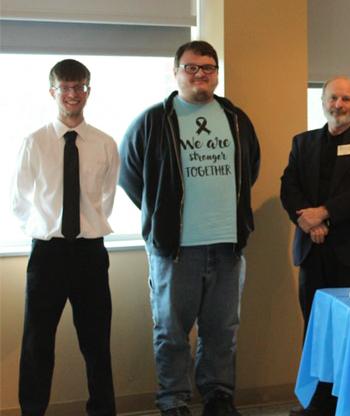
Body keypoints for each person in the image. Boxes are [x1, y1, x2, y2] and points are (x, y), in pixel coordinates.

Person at [118, 40, 260, 416]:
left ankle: (217, 395)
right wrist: (161, 214)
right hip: (175, 248)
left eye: (208, 67)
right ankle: (174, 401)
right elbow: (131, 175)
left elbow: (251, 168)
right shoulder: (153, 120)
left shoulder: (235, 118)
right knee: (171, 331)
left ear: (216, 73)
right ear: (176, 71)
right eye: (192, 67)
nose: (200, 74)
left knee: (222, 329)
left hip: (227, 245)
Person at [11, 59, 119, 416]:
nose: (73, 94)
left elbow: (105, 198)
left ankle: (102, 411)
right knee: (37, 343)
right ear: (53, 92)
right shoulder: (35, 142)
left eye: (80, 87)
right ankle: (32, 411)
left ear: (88, 91)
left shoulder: (104, 143)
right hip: (48, 255)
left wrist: (88, 225)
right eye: (66, 87)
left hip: (90, 253)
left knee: (96, 343)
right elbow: (20, 200)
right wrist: (44, 229)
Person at [280, 76, 350, 416]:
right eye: (333, 98)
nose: (339, 105)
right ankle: (317, 403)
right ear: (322, 101)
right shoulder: (303, 143)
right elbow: (289, 188)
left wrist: (323, 215)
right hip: (313, 253)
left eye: (346, 99)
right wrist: (306, 221)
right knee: (316, 331)